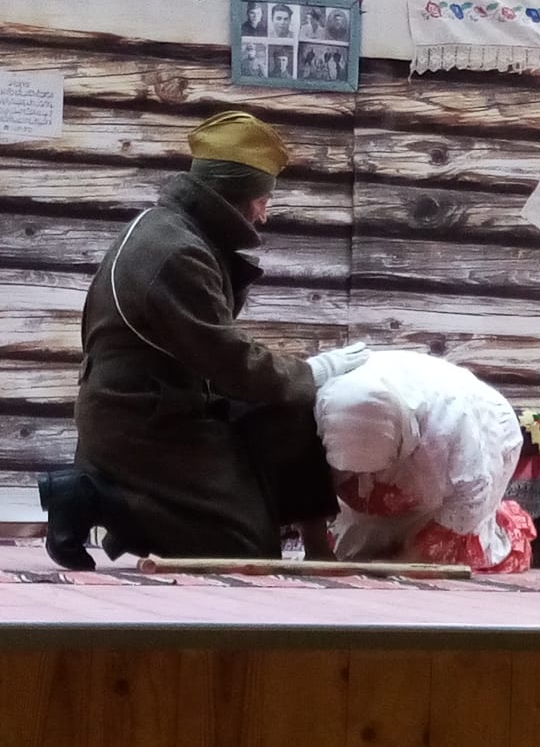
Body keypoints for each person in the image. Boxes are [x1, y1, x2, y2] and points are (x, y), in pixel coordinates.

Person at [38, 111, 371, 571]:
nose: (264, 215)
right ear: (231, 196)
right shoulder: (176, 253)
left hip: (163, 404)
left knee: (289, 407)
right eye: (261, 200)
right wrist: (317, 370)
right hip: (141, 427)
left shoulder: (171, 230)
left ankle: (316, 546)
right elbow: (230, 362)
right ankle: (95, 496)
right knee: (244, 553)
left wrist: (300, 382)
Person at [315, 350, 537, 573]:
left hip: (483, 431)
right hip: (404, 437)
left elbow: (473, 494)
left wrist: (410, 560)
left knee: (438, 557)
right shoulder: (324, 410)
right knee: (358, 549)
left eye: (372, 472)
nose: (365, 480)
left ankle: (500, 531)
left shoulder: (453, 428)